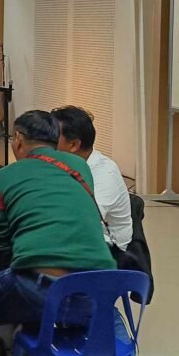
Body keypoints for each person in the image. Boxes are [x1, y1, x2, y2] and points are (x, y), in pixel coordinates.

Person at [0, 110, 151, 356]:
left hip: (40, 289)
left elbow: (1, 244)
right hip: (100, 284)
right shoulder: (79, 168)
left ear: (18, 140)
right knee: (108, 317)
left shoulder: (1, 179)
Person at [52, 105, 133, 251]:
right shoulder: (62, 164)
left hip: (107, 250)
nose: (46, 141)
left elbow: (81, 220)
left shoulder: (104, 174)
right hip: (78, 238)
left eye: (52, 137)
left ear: (73, 145)